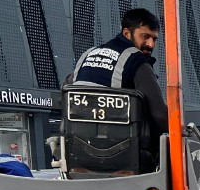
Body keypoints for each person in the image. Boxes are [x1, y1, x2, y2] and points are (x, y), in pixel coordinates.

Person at [69, 8, 169, 137]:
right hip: (121, 147)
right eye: (145, 37)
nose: (151, 44)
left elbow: (67, 92)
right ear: (127, 33)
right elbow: (160, 114)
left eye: (154, 39)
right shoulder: (136, 61)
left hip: (78, 142)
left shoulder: (87, 55)